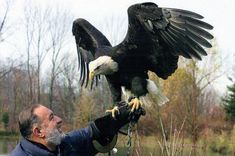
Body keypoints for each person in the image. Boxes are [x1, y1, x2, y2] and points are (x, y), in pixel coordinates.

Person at [11, 101, 144, 156]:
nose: (59, 120)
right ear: (38, 132)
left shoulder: (61, 145)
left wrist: (116, 120)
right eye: (51, 118)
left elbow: (90, 133)